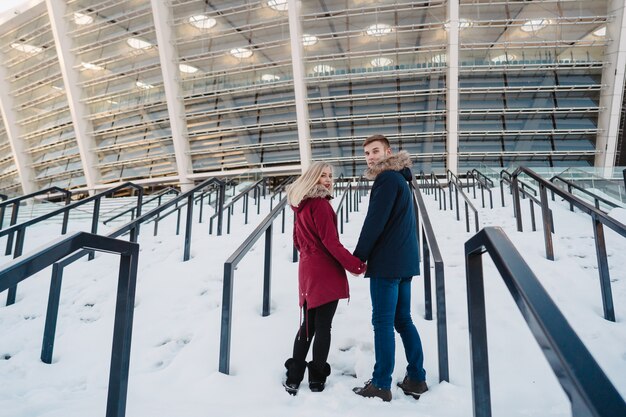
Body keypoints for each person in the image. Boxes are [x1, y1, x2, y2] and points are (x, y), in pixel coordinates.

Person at [352, 134, 427, 402]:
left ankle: (382, 383)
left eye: (375, 151)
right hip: (404, 263)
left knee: (383, 322)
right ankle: (417, 377)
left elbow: (375, 221)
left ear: (388, 151)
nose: (371, 157)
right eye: (367, 154)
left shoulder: (386, 179)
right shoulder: (401, 180)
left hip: (387, 264)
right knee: (402, 320)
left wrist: (359, 256)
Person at [283, 162, 366, 395]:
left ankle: (294, 376)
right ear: (312, 178)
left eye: (330, 175)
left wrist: (311, 255)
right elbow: (331, 243)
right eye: (322, 175)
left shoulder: (300, 206)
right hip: (325, 271)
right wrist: (356, 266)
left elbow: (297, 242)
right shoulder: (320, 205)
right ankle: (317, 378)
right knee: (323, 326)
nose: (328, 179)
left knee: (307, 325)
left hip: (308, 270)